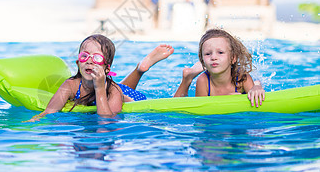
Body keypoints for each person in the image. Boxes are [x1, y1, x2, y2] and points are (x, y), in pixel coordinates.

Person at [27, 34, 201, 121]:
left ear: (107, 67)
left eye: (96, 58)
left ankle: (186, 78)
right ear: (77, 61)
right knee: (122, 87)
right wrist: (31, 123)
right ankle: (140, 68)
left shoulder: (113, 90)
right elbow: (50, 111)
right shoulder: (70, 85)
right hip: (107, 88)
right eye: (84, 56)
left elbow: (106, 119)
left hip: (127, 97)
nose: (89, 62)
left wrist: (100, 88)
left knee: (156, 102)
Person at [195, 29, 265, 107]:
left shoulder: (242, 79)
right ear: (202, 60)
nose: (213, 57)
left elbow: (256, 105)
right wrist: (226, 100)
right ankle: (187, 78)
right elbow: (200, 111)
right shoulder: (203, 81)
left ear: (232, 58)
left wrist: (256, 88)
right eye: (208, 54)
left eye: (220, 52)